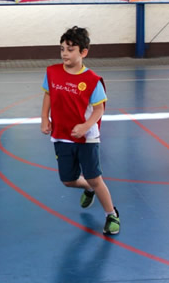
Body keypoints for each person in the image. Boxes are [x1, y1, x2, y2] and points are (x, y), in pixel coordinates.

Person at [40, 26, 120, 235]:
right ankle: (88, 188)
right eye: (62, 49)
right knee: (67, 180)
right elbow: (48, 95)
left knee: (94, 176)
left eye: (70, 49)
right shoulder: (52, 72)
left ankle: (111, 214)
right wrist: (44, 119)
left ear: (83, 52)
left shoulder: (92, 80)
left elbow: (99, 109)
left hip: (87, 138)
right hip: (61, 135)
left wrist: (85, 126)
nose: (65, 53)